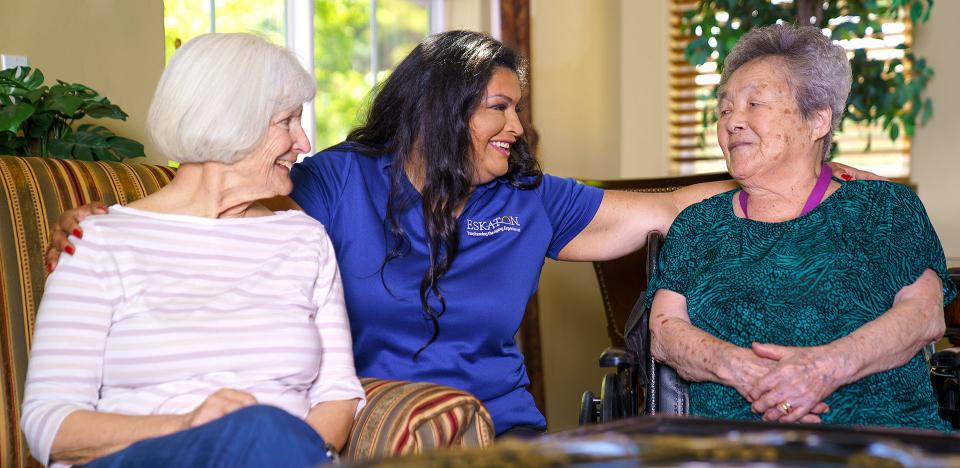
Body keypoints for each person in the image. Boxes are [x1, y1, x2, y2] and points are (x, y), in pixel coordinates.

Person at [45, 30, 877, 438]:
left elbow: (659, 209)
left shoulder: (528, 198)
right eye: (500, 107)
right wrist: (116, 219)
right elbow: (222, 180)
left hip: (509, 426)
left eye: (518, 107)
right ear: (443, 109)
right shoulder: (337, 181)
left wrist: (800, 175)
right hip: (389, 418)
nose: (518, 125)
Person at [22, 33, 365, 468]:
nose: (304, 143)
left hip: (282, 453)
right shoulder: (99, 243)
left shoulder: (306, 240)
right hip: (148, 458)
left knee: (265, 432)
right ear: (229, 121)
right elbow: (48, 425)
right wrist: (187, 424)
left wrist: (283, 452)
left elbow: (338, 393)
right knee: (260, 427)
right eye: (287, 122)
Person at [646, 24, 954, 430]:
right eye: (724, 109)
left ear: (818, 120)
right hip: (734, 449)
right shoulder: (699, 225)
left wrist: (821, 369)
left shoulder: (885, 208)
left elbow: (924, 315)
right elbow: (665, 331)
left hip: (881, 441)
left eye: (754, 104)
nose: (732, 122)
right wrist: (747, 372)